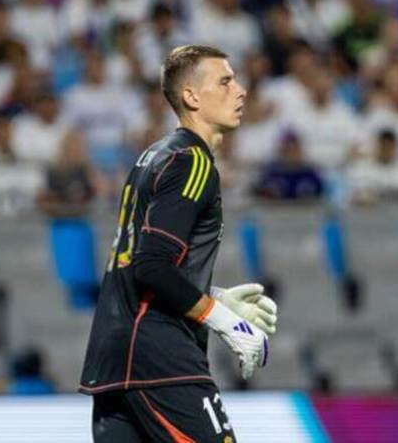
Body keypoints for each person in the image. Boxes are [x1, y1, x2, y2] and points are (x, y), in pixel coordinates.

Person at [80, 45, 278, 443]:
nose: (240, 91)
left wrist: (213, 295)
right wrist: (224, 320)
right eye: (225, 81)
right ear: (191, 97)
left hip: (114, 361)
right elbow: (151, 265)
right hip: (161, 359)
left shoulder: (152, 156)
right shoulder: (193, 161)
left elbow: (140, 260)